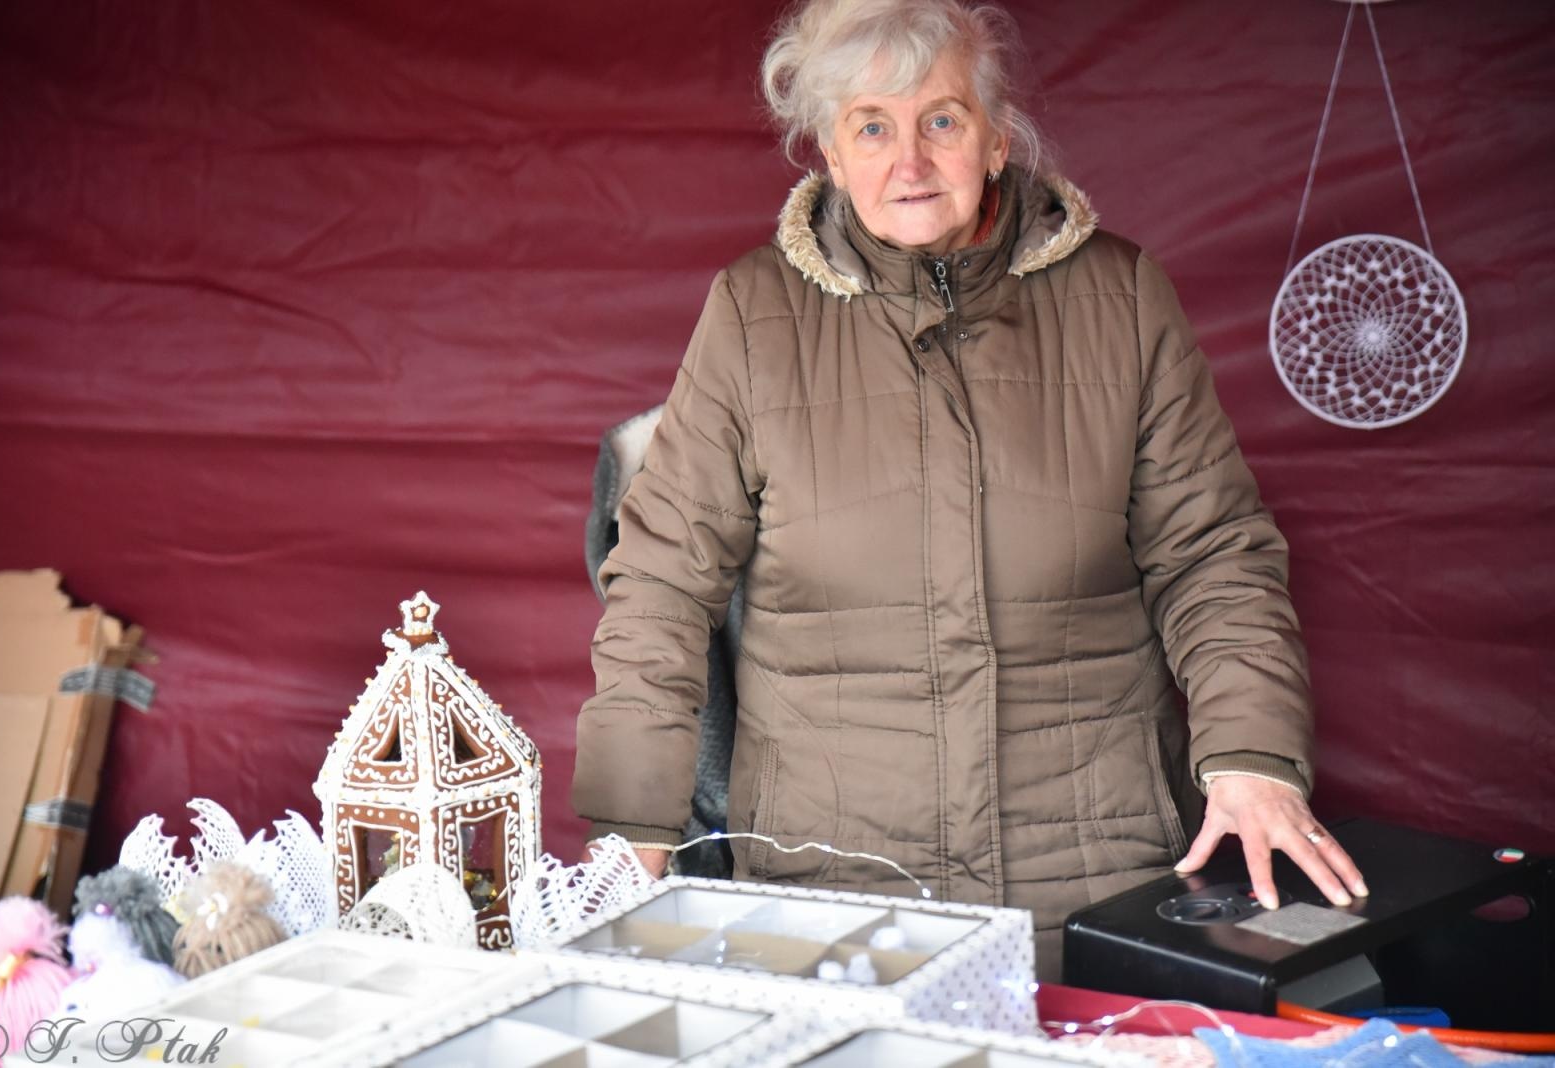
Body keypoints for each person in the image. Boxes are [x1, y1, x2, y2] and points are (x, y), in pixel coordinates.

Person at [571, 0, 1365, 979]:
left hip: (1090, 867)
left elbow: (1214, 554)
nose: (908, 160)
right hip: (832, 885)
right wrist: (631, 830)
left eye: (940, 120)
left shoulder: (1118, 297)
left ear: (994, 138)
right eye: (872, 125)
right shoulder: (752, 313)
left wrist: (1251, 761)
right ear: (827, 149)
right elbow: (658, 586)